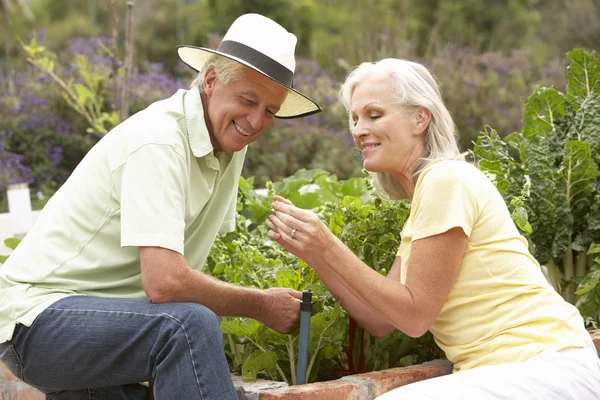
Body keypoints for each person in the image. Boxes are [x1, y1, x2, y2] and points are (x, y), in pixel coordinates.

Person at [0, 13, 321, 400]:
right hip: (37, 323)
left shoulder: (227, 142)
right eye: (248, 100)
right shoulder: (160, 142)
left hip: (101, 318)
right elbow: (166, 283)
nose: (255, 121)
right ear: (211, 80)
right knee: (187, 328)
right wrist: (260, 305)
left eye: (270, 110)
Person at [266, 58, 600, 399]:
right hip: (515, 372)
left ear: (420, 118)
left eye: (374, 114)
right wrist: (317, 254)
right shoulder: (428, 197)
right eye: (354, 118)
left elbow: (414, 316)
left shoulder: (446, 180)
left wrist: (327, 246)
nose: (358, 129)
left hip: (547, 366)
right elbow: (381, 319)